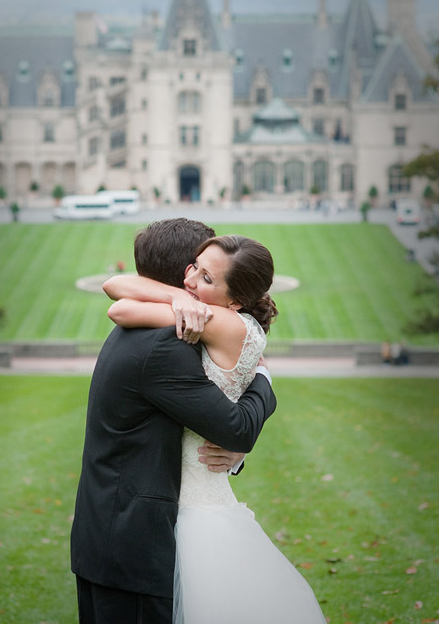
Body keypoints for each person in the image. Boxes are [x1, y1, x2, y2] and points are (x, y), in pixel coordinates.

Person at [106, 234, 326, 624]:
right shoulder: (231, 318)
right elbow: (115, 286)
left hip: (193, 500)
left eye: (207, 278)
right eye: (194, 267)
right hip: (194, 483)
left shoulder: (218, 320)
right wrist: (181, 297)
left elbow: (121, 307)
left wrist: (180, 301)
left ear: (235, 300)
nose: (190, 280)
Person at [70, 219, 276, 624]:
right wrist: (265, 379)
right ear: (185, 276)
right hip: (134, 550)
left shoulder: (138, 328)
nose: (195, 279)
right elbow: (236, 428)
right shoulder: (168, 343)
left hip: (110, 534)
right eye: (196, 269)